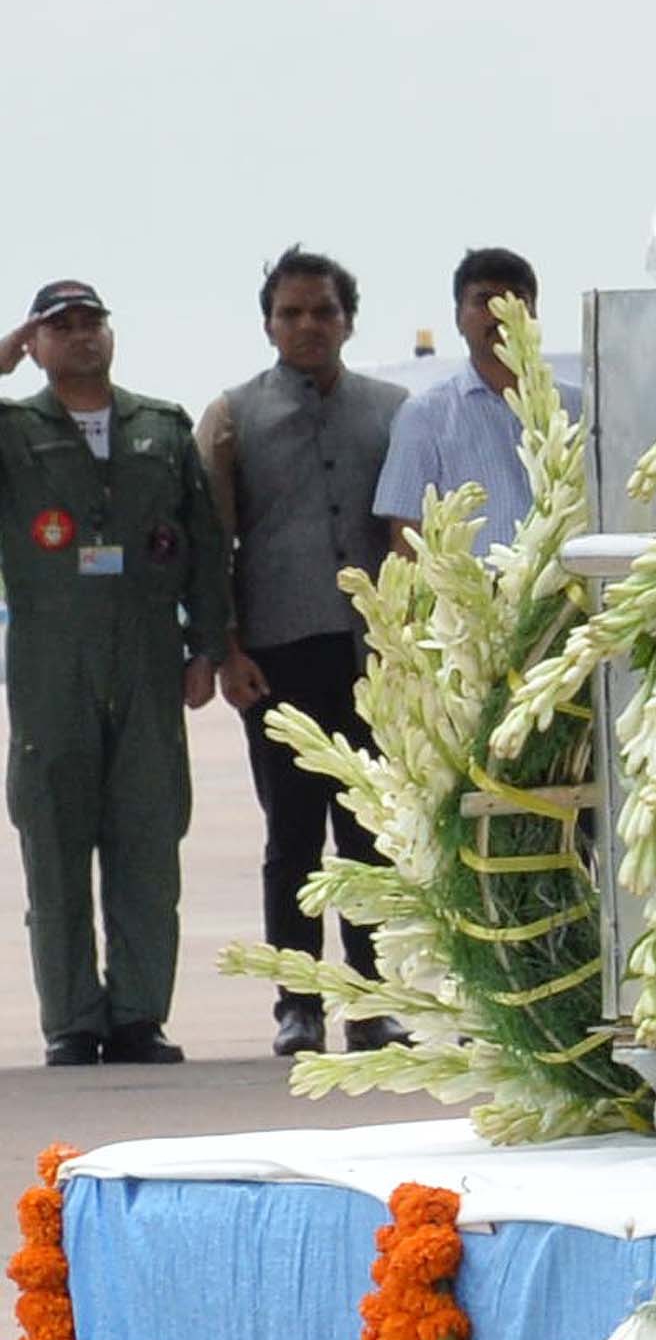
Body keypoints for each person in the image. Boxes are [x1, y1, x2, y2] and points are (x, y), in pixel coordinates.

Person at [193, 247, 402, 1056]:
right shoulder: (233, 416)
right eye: (291, 313)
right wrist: (226, 649)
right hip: (277, 658)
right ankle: (299, 1003)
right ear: (268, 323)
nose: (308, 325)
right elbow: (214, 545)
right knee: (292, 838)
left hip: (373, 659)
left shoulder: (391, 410)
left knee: (370, 835)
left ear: (348, 319)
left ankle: (372, 999)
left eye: (323, 311)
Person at [0, 278, 212, 1065]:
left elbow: (202, 539)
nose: (81, 336)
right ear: (36, 342)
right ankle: (71, 1020)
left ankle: (137, 1016)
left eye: (92, 323)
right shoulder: (14, 430)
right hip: (51, 657)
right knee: (54, 839)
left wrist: (208, 647)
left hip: (148, 652)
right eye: (61, 326)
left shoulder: (159, 427)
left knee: (148, 839)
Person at [373, 246, 552, 556]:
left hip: (574, 599)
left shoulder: (577, 409)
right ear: (458, 318)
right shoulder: (424, 417)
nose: (500, 313)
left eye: (516, 300)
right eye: (484, 301)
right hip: (472, 600)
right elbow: (407, 540)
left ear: (534, 315)